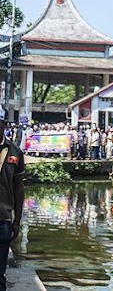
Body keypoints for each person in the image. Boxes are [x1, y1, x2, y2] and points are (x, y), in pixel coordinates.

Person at [0, 106, 24, 291]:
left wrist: (17, 221)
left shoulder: (15, 152)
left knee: (0, 274)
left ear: (4, 124)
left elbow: (19, 188)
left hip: (3, 220)